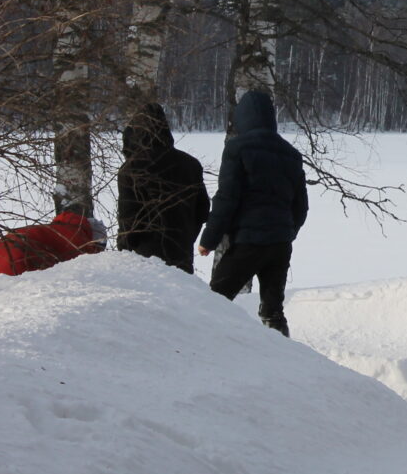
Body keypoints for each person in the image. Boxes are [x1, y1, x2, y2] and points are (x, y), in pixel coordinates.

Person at [198, 90, 308, 336]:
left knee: (212, 302)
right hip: (280, 243)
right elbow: (300, 206)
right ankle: (283, 358)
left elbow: (227, 198)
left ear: (242, 118)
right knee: (272, 311)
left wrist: (209, 239)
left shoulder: (237, 148)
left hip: (248, 242)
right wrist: (287, 231)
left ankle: (210, 352)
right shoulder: (291, 154)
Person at [117, 102, 211, 274]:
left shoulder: (131, 169)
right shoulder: (190, 164)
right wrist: (186, 237)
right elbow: (203, 210)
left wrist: (124, 250)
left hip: (143, 259)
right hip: (181, 255)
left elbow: (128, 218)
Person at [0, 200, 107, 276]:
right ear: (94, 241)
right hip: (17, 259)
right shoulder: (78, 239)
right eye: (99, 250)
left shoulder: (60, 229)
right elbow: (79, 273)